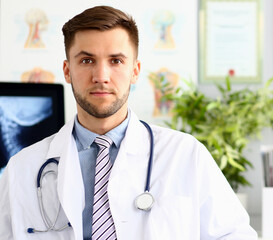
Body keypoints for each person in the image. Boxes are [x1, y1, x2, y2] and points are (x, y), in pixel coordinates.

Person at [0, 5, 258, 240]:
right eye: (87, 60)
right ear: (67, 70)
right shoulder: (23, 168)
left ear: (135, 70)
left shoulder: (186, 155)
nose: (101, 76)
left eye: (116, 61)